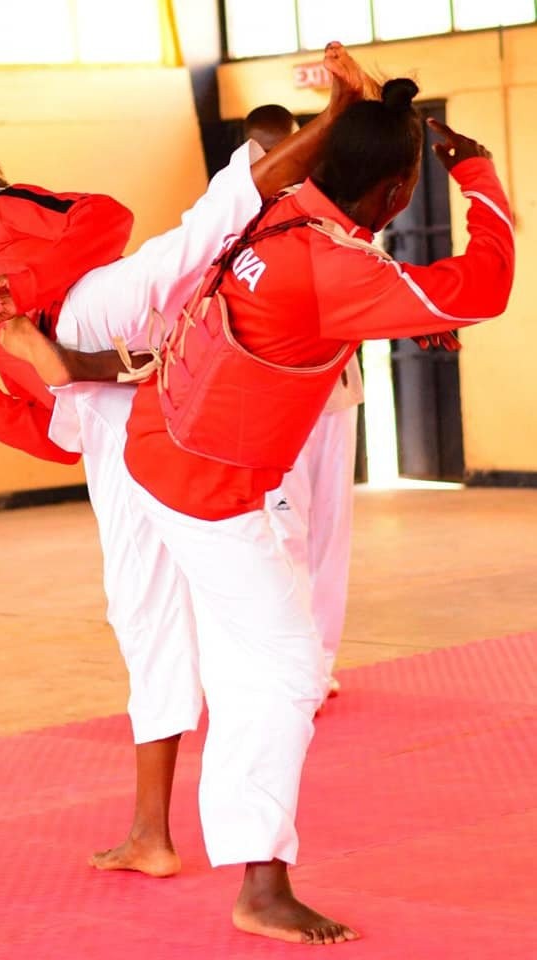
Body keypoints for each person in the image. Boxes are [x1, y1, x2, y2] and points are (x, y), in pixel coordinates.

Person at [0, 42, 371, 894]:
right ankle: (152, 832)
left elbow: (105, 219)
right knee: (146, 624)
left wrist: (30, 298)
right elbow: (54, 434)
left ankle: (336, 124)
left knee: (198, 236)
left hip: (102, 316)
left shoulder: (7, 218)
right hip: (113, 433)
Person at [244, 103, 364, 701]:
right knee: (286, 532)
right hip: (276, 400)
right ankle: (294, 668)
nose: (281, 161)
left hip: (337, 393)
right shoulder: (232, 213)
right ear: (248, 154)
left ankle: (321, 661)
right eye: (267, 152)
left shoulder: (329, 201)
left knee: (330, 531)